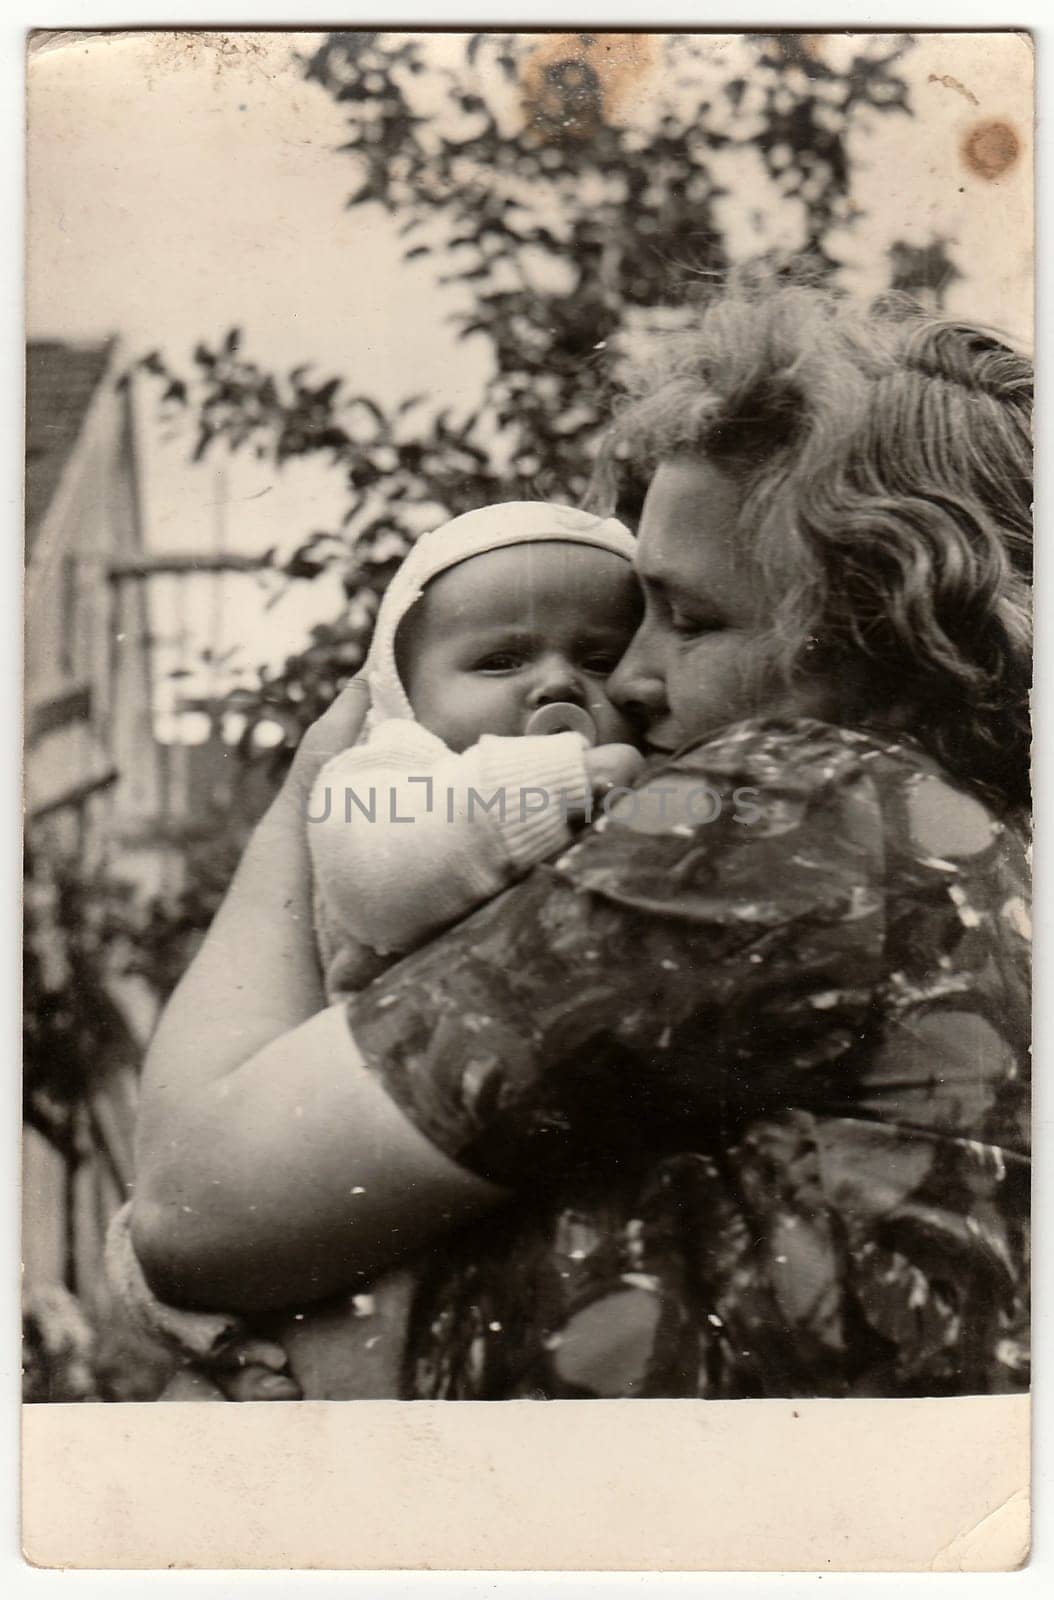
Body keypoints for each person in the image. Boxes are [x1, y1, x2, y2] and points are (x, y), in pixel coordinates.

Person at [127, 282, 1031, 1400]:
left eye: (692, 620)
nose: (632, 680)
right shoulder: (969, 852)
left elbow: (191, 1207)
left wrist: (324, 770)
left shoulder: (795, 802)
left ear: (892, 636)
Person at [308, 501, 643, 998]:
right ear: (404, 691)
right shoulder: (392, 765)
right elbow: (373, 882)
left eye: (600, 660)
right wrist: (564, 780)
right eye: (500, 661)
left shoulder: (646, 772)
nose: (559, 684)